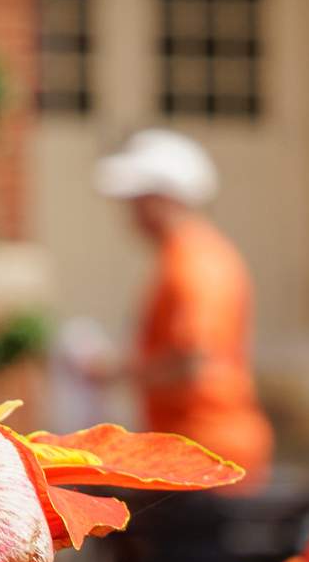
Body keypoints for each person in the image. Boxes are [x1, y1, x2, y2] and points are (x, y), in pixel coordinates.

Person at [96, 129, 273, 490]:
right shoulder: (193, 255)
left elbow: (192, 360)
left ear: (165, 199)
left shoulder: (194, 263)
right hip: (200, 449)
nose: (129, 213)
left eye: (137, 200)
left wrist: (113, 371)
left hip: (205, 449)